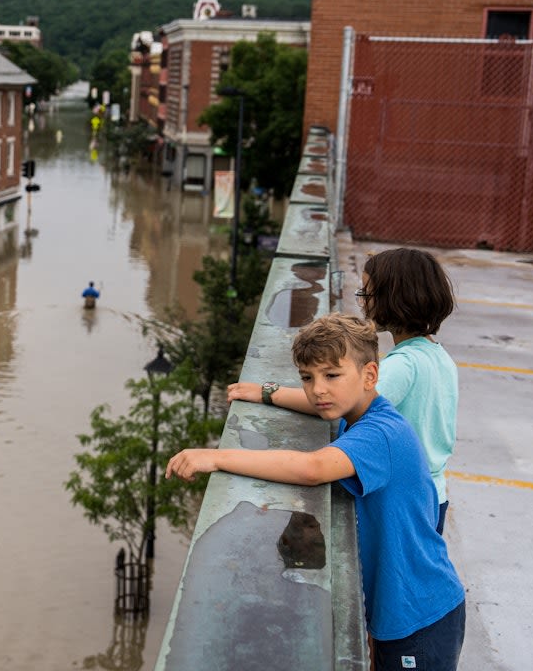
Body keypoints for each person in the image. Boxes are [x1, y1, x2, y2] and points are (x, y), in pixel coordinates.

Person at [167, 313, 465, 670]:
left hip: (421, 614)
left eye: (331, 375)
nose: (318, 389)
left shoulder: (381, 434)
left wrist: (215, 458)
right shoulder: (358, 413)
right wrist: (266, 393)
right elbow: (318, 404)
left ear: (370, 375)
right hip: (401, 606)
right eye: (308, 377)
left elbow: (313, 469)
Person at [226, 248, 458, 534]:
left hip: (409, 502)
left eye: (367, 294)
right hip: (434, 492)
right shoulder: (438, 355)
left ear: (394, 298)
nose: (361, 302)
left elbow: (336, 401)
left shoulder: (404, 365)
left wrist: (269, 393)